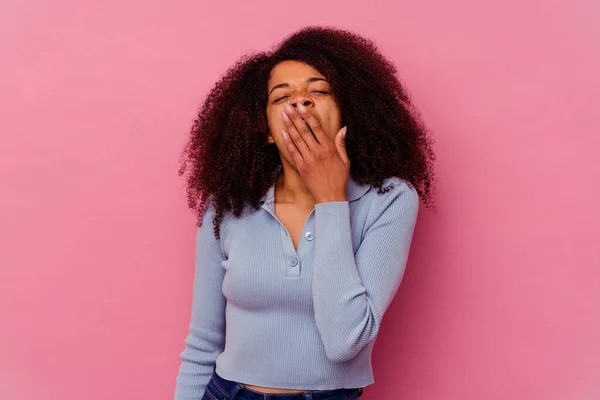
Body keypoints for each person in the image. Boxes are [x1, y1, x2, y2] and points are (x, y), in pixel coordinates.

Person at [174, 25, 435, 400]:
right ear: (264, 128)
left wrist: (331, 199)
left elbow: (346, 341)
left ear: (348, 112)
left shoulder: (389, 199)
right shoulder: (228, 205)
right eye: (282, 97)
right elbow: (201, 344)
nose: (301, 103)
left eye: (319, 91)